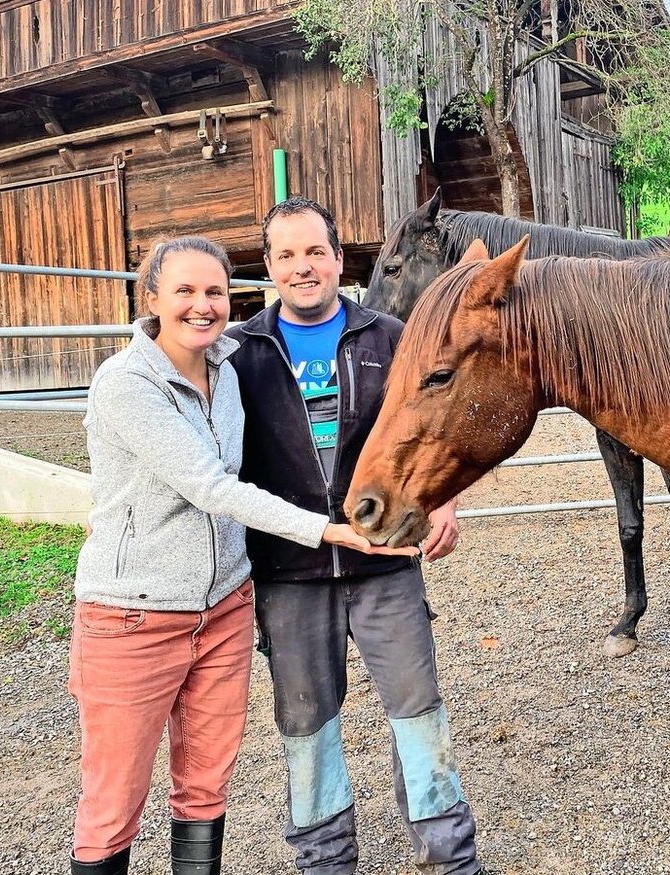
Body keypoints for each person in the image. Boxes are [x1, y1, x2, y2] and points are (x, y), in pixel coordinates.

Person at [70, 235, 415, 875]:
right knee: (114, 796)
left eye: (215, 292)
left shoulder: (228, 369)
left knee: (205, 783)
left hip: (223, 607)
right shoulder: (126, 383)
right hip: (136, 612)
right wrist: (327, 530)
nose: (202, 306)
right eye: (185, 292)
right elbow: (209, 484)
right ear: (151, 300)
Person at [226, 197, 483, 875]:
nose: (302, 266)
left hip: (388, 563)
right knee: (307, 730)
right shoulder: (244, 353)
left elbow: (442, 420)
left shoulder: (389, 336)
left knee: (418, 715)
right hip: (290, 575)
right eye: (286, 254)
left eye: (315, 251)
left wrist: (446, 496)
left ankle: (449, 858)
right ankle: (324, 862)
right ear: (270, 266)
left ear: (340, 259)